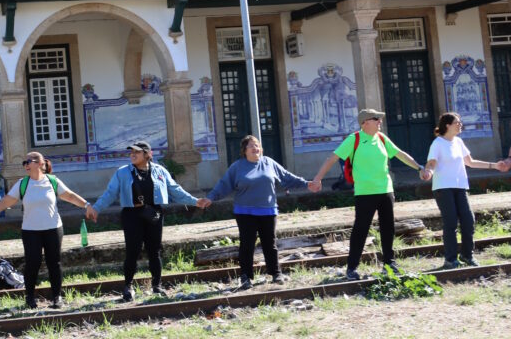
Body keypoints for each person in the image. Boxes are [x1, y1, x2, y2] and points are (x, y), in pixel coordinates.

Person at [311, 109, 425, 280]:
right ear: (365, 122)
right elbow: (332, 159)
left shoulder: (381, 138)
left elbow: (400, 154)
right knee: (361, 230)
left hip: (386, 190)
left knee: (388, 228)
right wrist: (317, 179)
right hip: (365, 193)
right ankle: (352, 268)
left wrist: (419, 167)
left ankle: (389, 263)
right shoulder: (354, 139)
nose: (380, 121)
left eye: (380, 119)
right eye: (376, 119)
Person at [196, 136, 321, 289]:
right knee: (247, 245)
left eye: (257, 145)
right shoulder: (237, 167)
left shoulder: (268, 163)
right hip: (245, 212)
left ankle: (276, 273)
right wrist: (210, 198)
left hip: (268, 211)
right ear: (244, 151)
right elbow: (224, 185)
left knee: (270, 244)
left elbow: (286, 177)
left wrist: (306, 184)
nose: (255, 148)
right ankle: (246, 277)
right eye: (251, 146)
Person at [0, 152, 91, 309]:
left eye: (27, 161)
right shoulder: (22, 184)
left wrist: (86, 205)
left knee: (54, 263)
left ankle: (57, 297)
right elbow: (5, 201)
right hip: (31, 231)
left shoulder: (52, 181)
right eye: (24, 162)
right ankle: (29, 297)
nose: (25, 165)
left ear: (39, 164)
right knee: (32, 264)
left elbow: (69, 196)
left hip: (53, 229)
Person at [87, 141, 198, 300]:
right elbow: (110, 193)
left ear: (148, 154)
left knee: (155, 250)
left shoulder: (160, 171)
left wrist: (195, 201)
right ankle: (128, 286)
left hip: (153, 214)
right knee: (133, 251)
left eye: (137, 152)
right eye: (131, 152)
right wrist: (96, 208)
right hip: (132, 214)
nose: (132, 154)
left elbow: (175, 190)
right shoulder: (123, 172)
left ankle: (157, 286)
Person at [421, 112, 506, 269]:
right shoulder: (438, 143)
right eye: (457, 122)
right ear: (447, 125)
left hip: (460, 187)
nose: (460, 125)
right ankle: (450, 259)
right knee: (451, 222)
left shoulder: (458, 142)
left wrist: (494, 165)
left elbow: (471, 162)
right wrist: (428, 173)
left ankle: (467, 255)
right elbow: (431, 164)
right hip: (443, 188)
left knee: (468, 220)